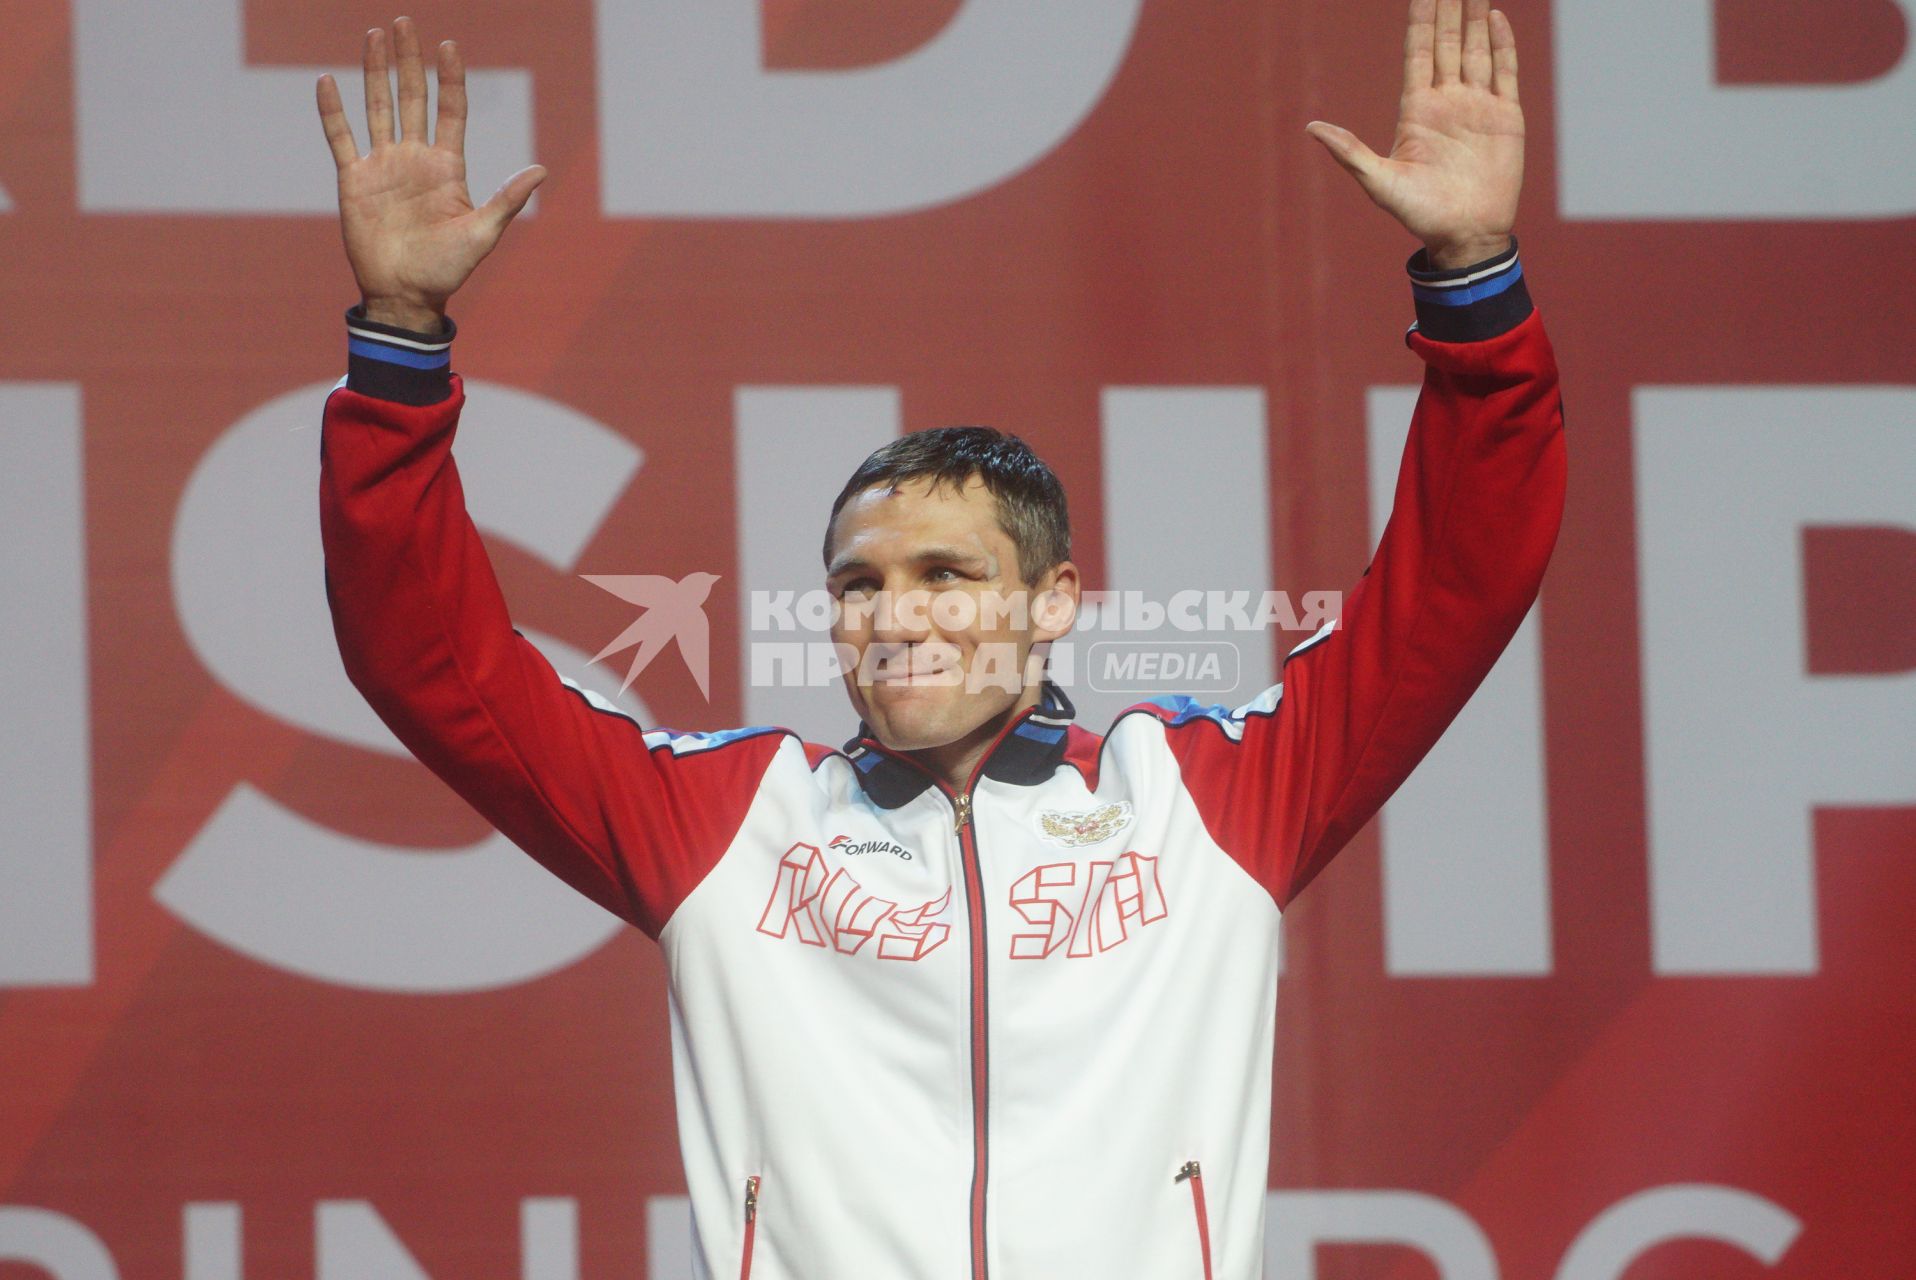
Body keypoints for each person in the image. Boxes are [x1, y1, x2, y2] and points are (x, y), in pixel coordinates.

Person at [314, 2, 1563, 1276]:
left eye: (946, 574)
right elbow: (426, 658)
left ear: (1053, 597)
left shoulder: (1205, 802)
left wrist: (1471, 280)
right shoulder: (730, 826)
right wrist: (401, 341)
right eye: (857, 583)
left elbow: (1455, 586)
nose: (894, 613)